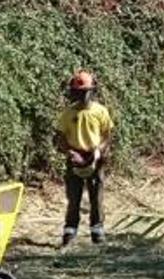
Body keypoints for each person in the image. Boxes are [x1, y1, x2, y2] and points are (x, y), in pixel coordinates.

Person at [54, 70, 115, 247]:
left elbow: (107, 135)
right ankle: (70, 232)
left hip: (95, 158)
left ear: (92, 91)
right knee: (74, 198)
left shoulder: (100, 111)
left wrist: (99, 151)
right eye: (79, 93)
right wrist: (70, 152)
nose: (82, 96)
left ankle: (97, 230)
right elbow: (60, 138)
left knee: (96, 196)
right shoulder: (67, 114)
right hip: (75, 156)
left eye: (85, 92)